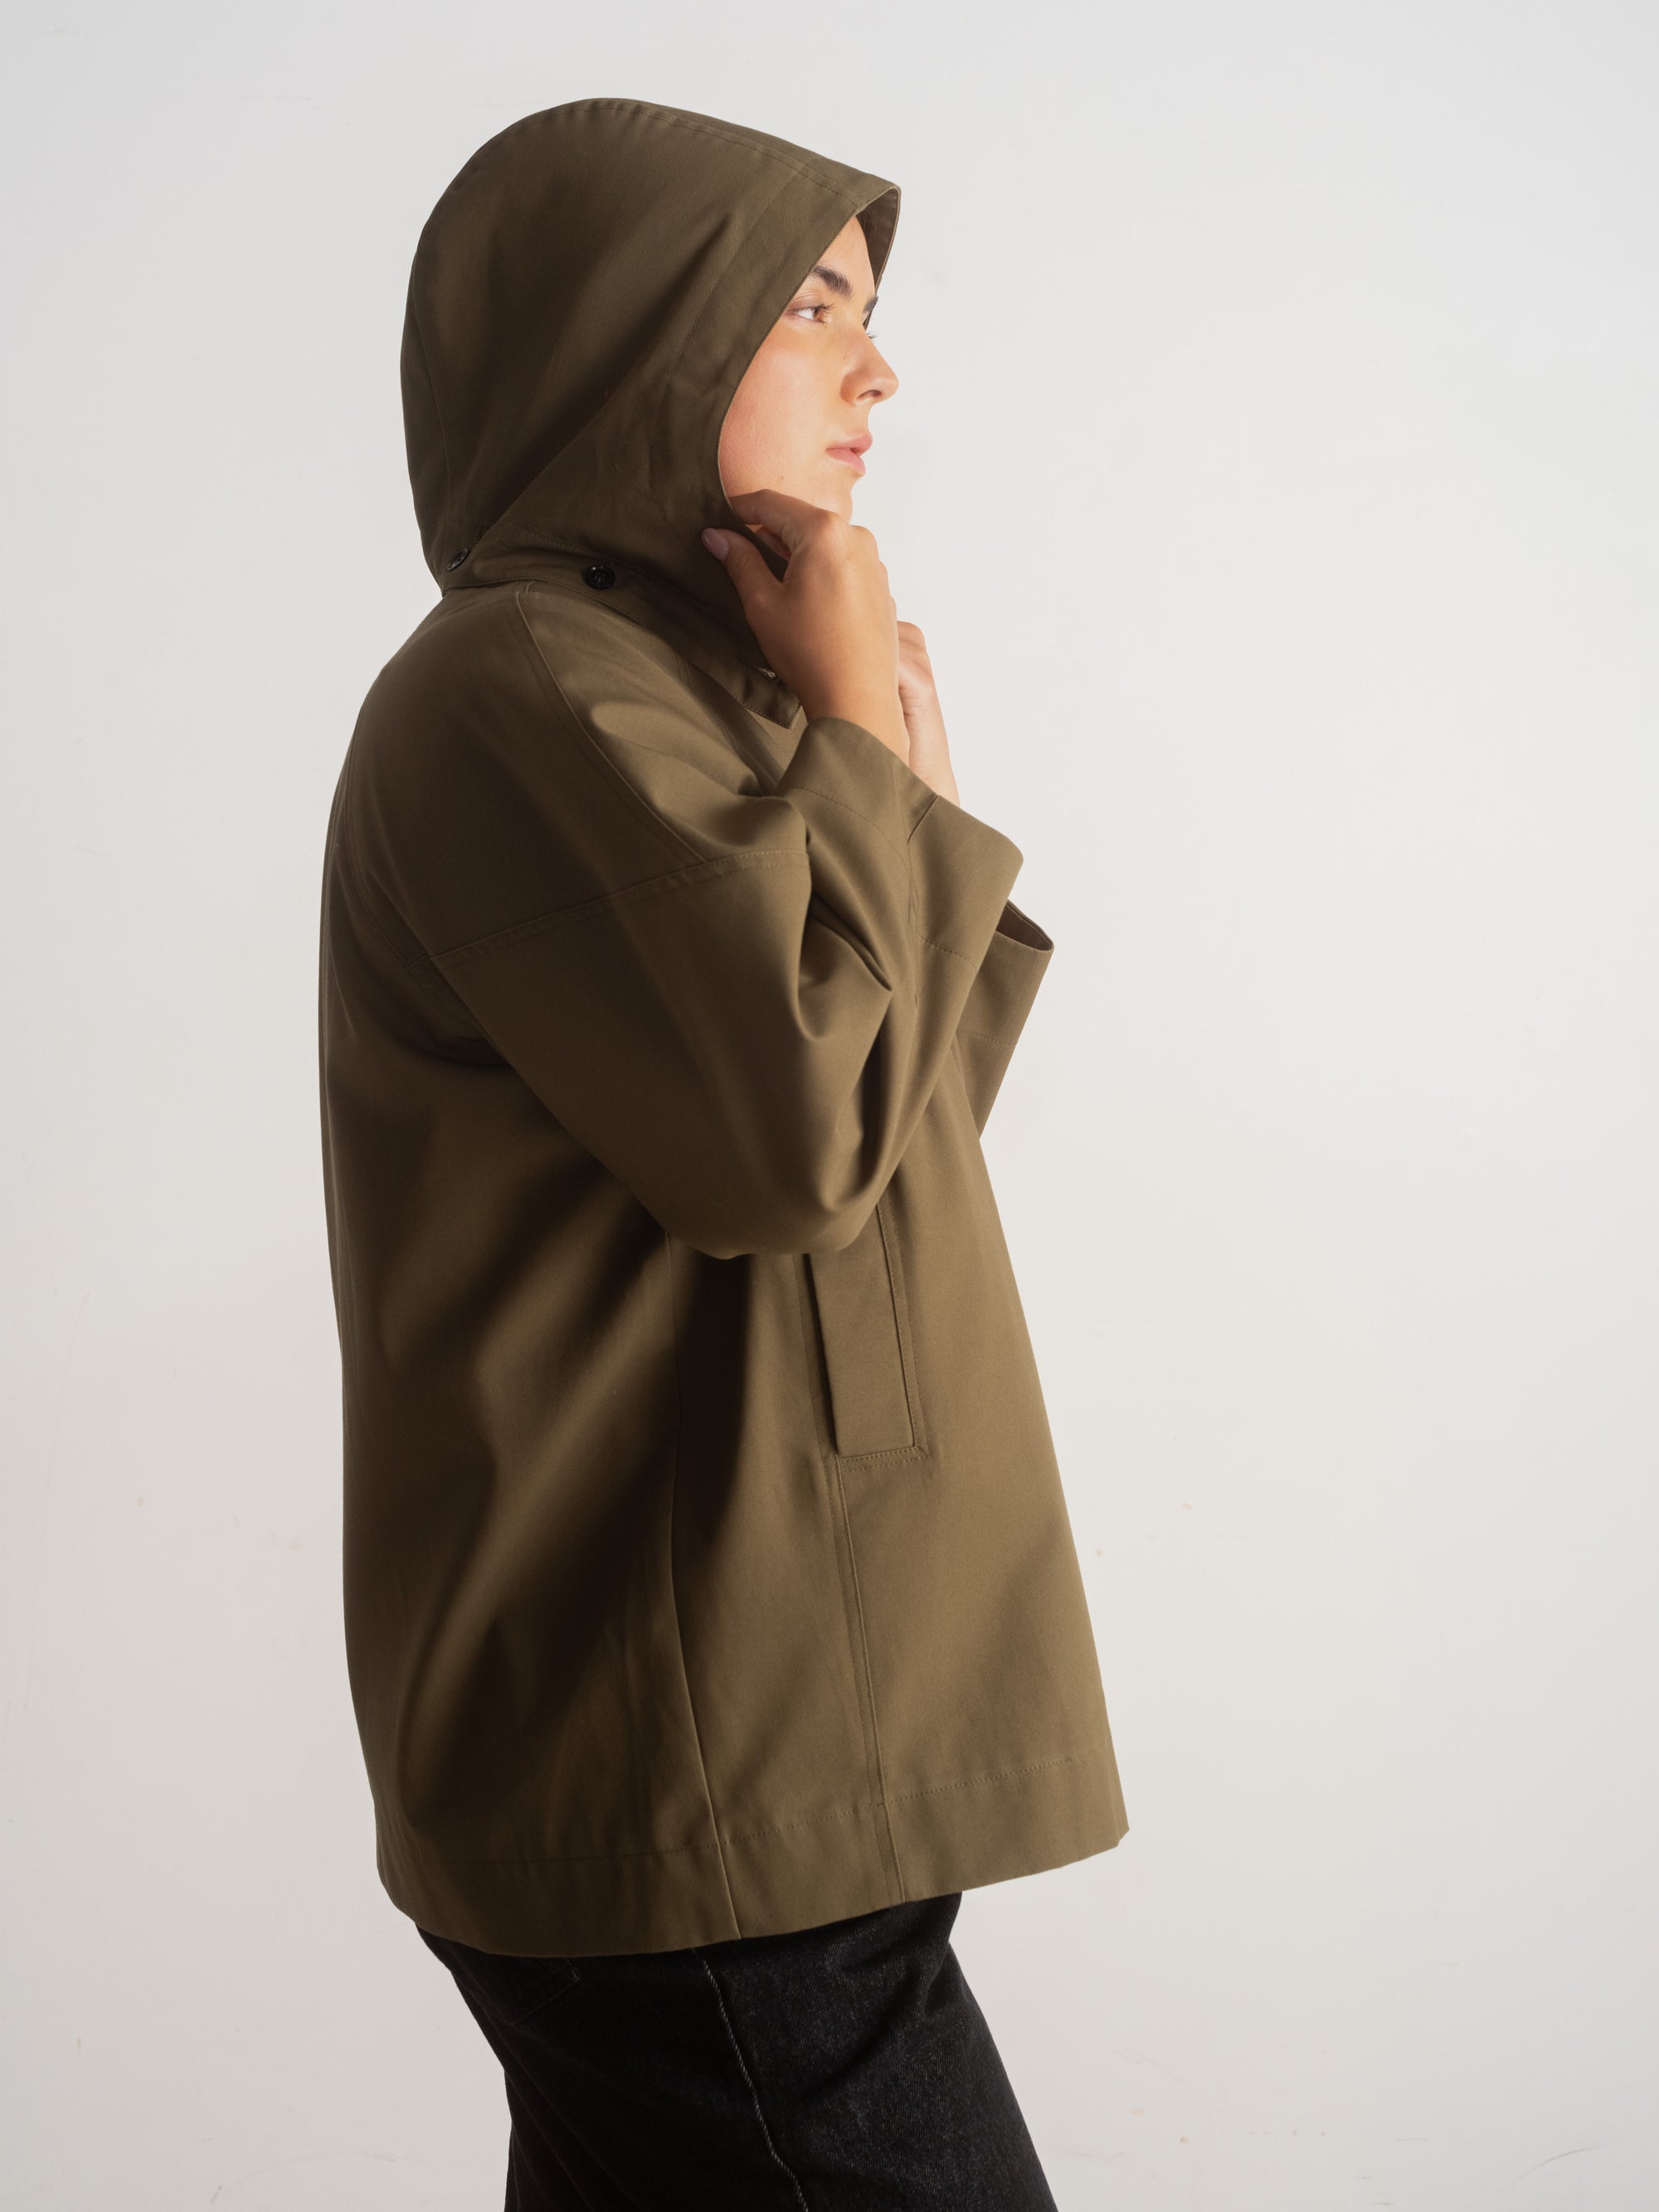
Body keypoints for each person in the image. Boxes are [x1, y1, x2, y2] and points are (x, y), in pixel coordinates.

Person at [317, 95, 1128, 2208]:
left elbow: (885, 1151)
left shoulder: (669, 684)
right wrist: (860, 752)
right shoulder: (528, 686)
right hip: (705, 1776)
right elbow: (797, 1145)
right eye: (811, 306)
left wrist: (875, 775)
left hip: (753, 1730)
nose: (878, 371)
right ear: (635, 336)